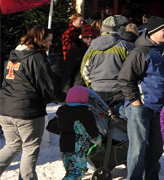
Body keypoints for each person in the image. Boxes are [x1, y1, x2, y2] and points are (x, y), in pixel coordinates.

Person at [118, 16, 164, 180]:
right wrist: (135, 101)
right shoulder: (140, 52)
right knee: (138, 149)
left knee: (156, 148)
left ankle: (150, 177)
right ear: (153, 32)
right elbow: (124, 78)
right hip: (141, 107)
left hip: (160, 108)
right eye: (163, 30)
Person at [0, 26, 59, 180]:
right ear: (40, 40)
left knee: (12, 145)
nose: (50, 44)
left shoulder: (14, 55)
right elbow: (47, 87)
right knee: (30, 148)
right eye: (48, 40)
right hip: (27, 111)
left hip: (6, 109)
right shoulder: (36, 58)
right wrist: (65, 97)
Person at [81, 16, 133, 104]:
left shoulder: (92, 47)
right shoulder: (125, 46)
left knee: (100, 116)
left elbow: (84, 70)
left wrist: (92, 84)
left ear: (102, 30)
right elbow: (133, 69)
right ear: (117, 29)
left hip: (97, 88)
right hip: (118, 89)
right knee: (118, 116)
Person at [56, 86, 102, 180]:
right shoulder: (85, 113)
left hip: (64, 144)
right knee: (78, 173)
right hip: (78, 148)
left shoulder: (61, 110)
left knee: (70, 171)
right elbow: (91, 131)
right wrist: (98, 141)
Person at [63, 25, 95, 92]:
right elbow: (68, 72)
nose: (89, 39)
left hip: (92, 86)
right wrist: (66, 91)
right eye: (86, 37)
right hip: (78, 86)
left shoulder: (97, 50)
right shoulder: (75, 50)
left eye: (92, 37)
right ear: (82, 38)